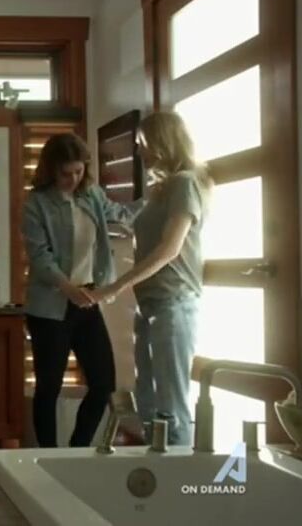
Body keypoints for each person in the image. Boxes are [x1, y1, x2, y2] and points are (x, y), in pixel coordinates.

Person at [89, 111, 212, 446]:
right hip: (149, 306)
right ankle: (157, 472)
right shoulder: (159, 191)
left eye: (142, 143)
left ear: (163, 142)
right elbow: (122, 218)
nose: (138, 150)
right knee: (148, 404)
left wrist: (115, 287)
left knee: (170, 408)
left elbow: (169, 249)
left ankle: (183, 474)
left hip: (174, 303)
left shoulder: (185, 183)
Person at [22, 132, 141, 447]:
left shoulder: (92, 195)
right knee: (48, 388)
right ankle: (48, 457)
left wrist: (158, 197)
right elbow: (40, 257)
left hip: (87, 302)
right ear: (51, 169)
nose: (73, 179)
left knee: (103, 383)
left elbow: (123, 215)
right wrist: (68, 288)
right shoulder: (36, 204)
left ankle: (77, 450)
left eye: (78, 171)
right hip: (49, 307)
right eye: (66, 173)